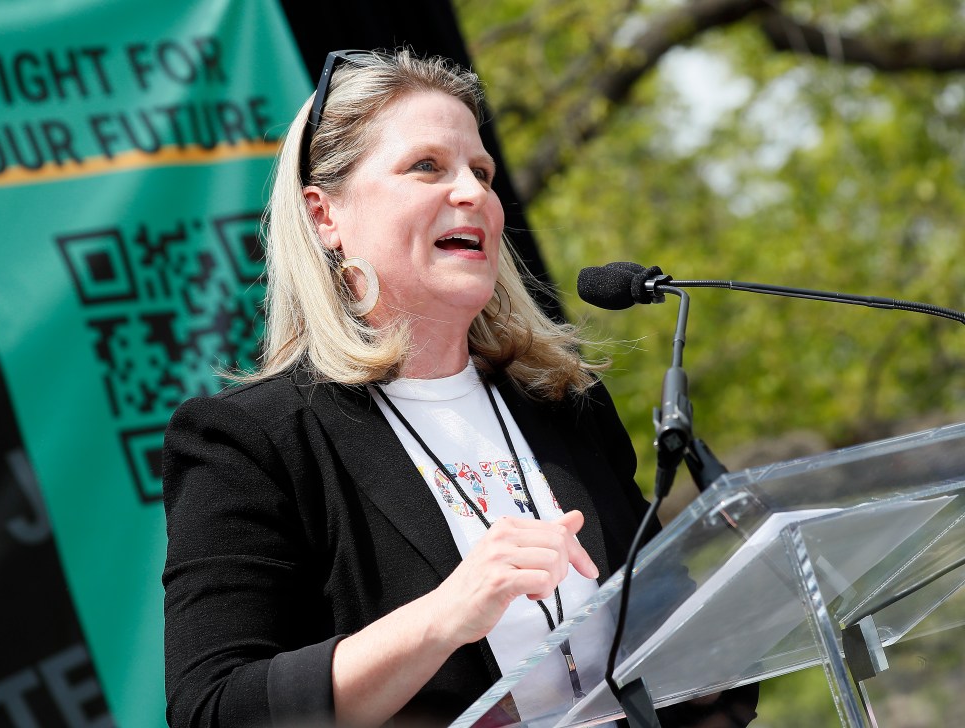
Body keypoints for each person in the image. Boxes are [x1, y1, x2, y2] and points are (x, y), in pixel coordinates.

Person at [162, 49, 757, 728]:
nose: (473, 193)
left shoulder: (566, 406)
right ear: (325, 215)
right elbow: (214, 710)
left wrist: (731, 629)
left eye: (482, 172)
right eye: (427, 168)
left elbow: (690, 663)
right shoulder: (252, 441)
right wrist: (450, 612)